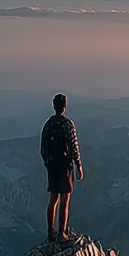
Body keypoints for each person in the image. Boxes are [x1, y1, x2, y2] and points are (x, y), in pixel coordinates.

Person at [40, 93, 83, 242]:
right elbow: (74, 146)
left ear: (54, 106)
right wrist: (78, 166)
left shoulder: (48, 124)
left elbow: (42, 147)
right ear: (65, 107)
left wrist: (47, 163)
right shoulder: (68, 124)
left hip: (52, 165)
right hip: (65, 166)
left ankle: (50, 232)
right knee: (65, 199)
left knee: (53, 198)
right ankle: (62, 233)